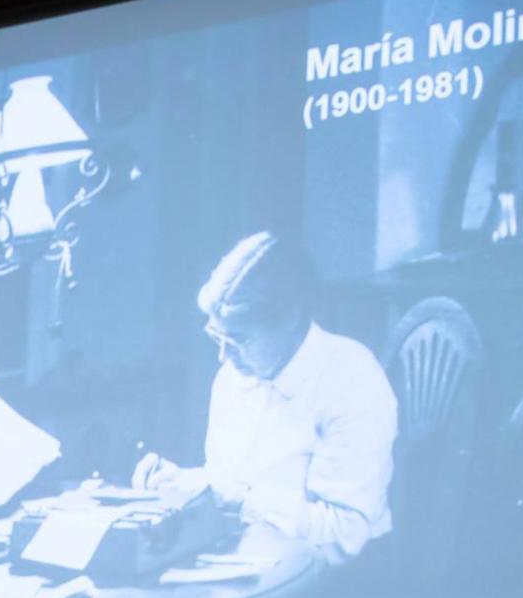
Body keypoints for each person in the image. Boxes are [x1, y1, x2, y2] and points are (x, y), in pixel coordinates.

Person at [133, 231, 397, 565]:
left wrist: (237, 499)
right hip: (254, 562)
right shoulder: (233, 376)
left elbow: (345, 535)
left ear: (290, 320)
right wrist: (186, 485)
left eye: (239, 339)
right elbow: (230, 487)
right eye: (217, 336)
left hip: (342, 581)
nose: (224, 357)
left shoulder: (351, 377)